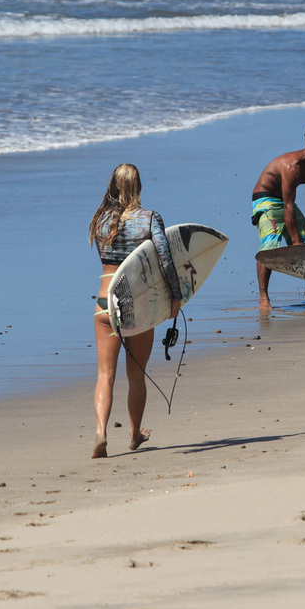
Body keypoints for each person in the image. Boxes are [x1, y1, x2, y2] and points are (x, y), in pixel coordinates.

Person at [89, 163, 182, 459]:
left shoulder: (101, 221)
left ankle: (101, 433)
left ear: (114, 187)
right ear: (139, 187)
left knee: (105, 375)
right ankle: (133, 434)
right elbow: (166, 261)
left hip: (104, 304)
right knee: (137, 375)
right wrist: (175, 298)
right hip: (137, 304)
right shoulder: (150, 219)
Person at [252, 120, 305, 314]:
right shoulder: (292, 166)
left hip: (285, 201)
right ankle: (263, 298)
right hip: (266, 199)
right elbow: (287, 204)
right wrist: (294, 241)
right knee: (270, 246)